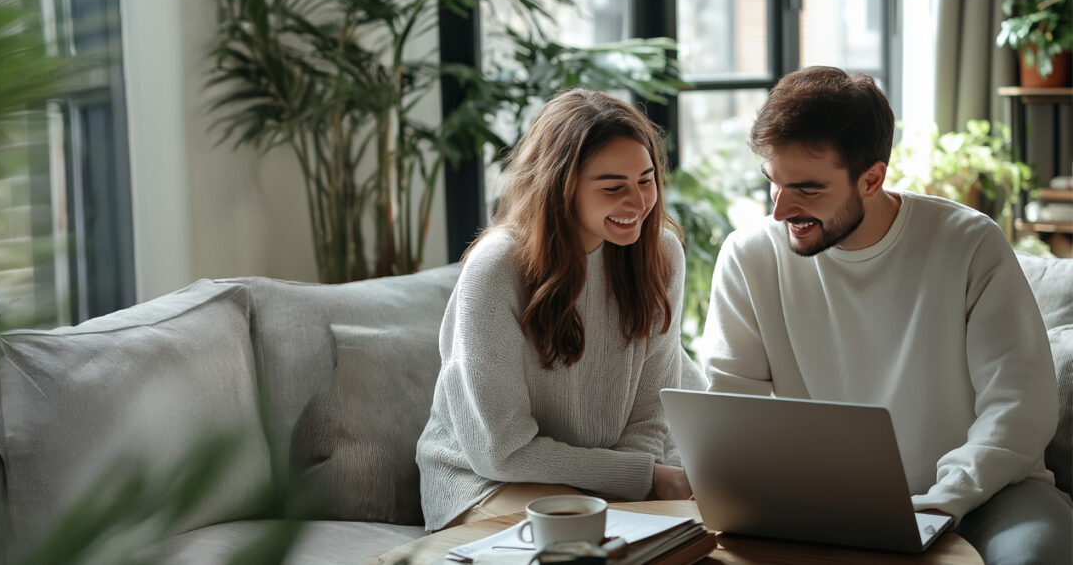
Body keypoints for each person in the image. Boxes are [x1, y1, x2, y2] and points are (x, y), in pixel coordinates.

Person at [695, 66, 1071, 565]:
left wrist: (942, 500)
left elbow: (1020, 410)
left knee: (1037, 555)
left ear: (871, 179)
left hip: (989, 493)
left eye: (807, 189)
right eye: (773, 183)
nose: (782, 210)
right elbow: (729, 414)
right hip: (823, 503)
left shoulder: (968, 242)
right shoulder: (748, 257)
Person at [416, 88, 694, 532]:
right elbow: (501, 451)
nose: (640, 203)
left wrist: (631, 485)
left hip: (603, 482)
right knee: (588, 538)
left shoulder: (660, 253)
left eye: (646, 180)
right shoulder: (497, 267)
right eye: (612, 187)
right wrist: (638, 480)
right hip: (487, 482)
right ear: (560, 187)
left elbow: (649, 416)